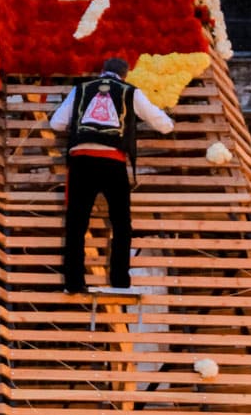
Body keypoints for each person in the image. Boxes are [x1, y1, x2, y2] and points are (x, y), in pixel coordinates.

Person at [49, 56, 173, 292]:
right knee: (121, 223)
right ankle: (120, 281)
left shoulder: (81, 89)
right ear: (125, 75)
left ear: (103, 71)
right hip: (112, 162)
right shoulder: (130, 92)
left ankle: (74, 283)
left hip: (81, 161)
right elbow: (163, 123)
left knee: (76, 223)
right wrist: (167, 123)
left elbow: (57, 123)